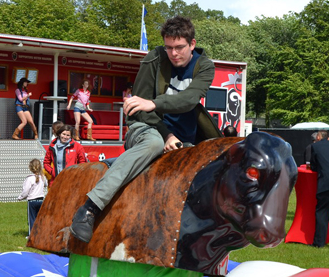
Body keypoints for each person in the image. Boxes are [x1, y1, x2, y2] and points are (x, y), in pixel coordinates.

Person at [70, 16, 219, 243]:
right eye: (169, 47)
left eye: (179, 47)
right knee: (153, 143)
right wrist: (165, 133)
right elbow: (140, 108)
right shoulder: (155, 59)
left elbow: (189, 100)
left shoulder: (205, 66)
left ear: (192, 44)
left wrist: (156, 104)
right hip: (146, 127)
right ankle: (89, 209)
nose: (174, 53)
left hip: (184, 139)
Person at [18, 159, 47, 236]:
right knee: (39, 218)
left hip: (32, 201)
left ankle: (32, 236)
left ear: (30, 168)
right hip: (41, 200)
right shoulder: (42, 177)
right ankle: (41, 233)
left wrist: (20, 197)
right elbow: (46, 184)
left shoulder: (29, 178)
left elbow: (26, 191)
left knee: (32, 218)